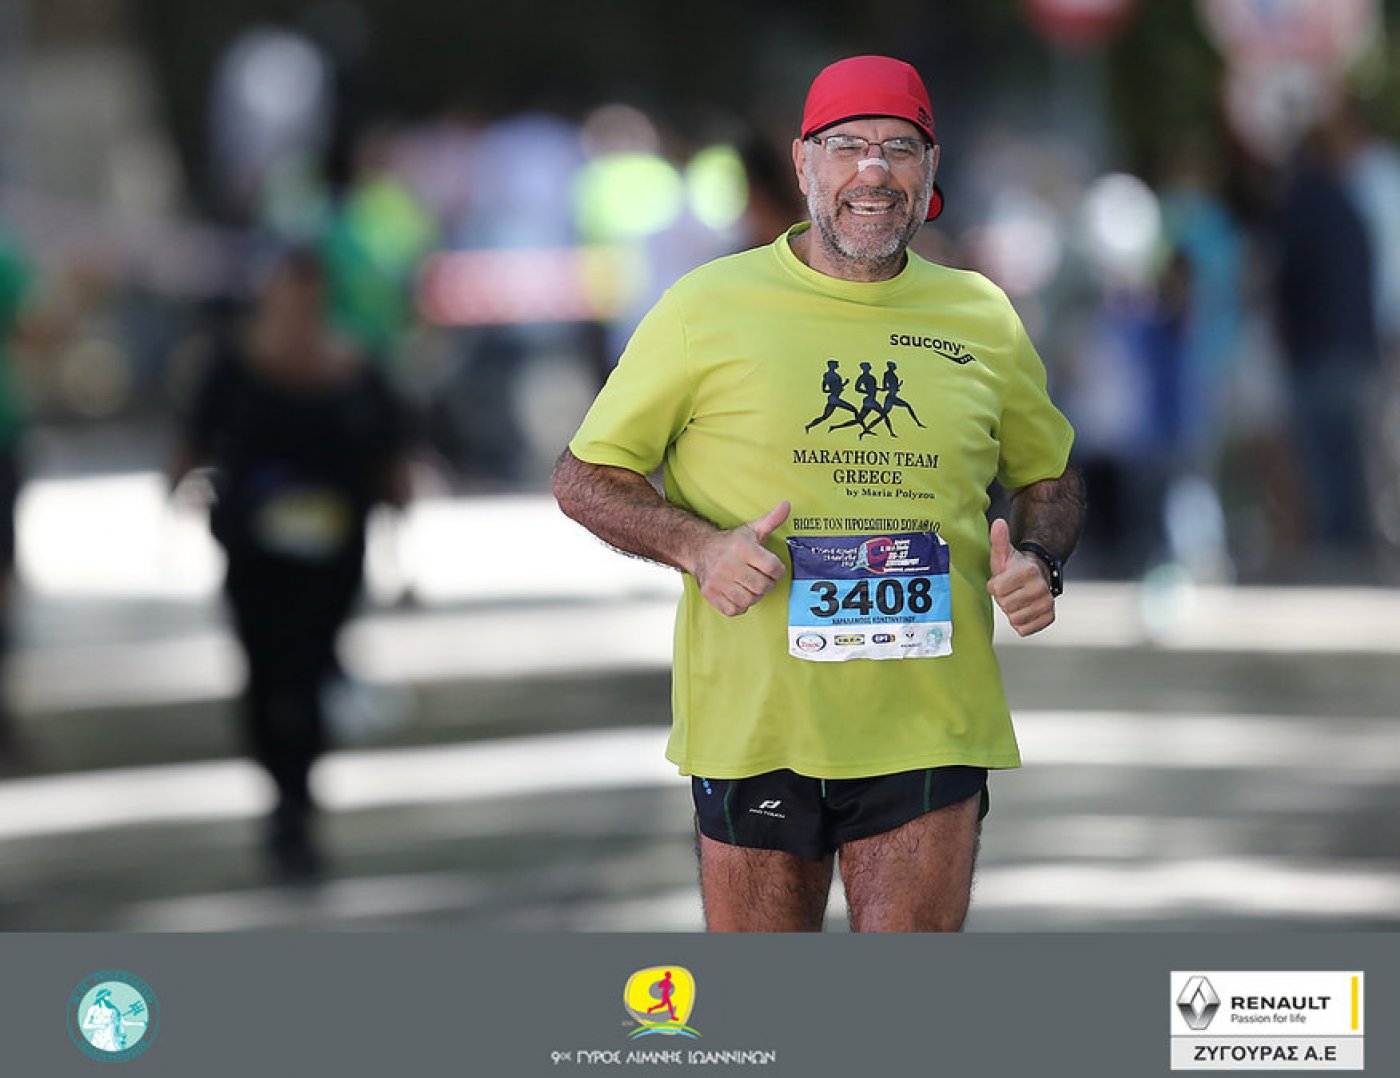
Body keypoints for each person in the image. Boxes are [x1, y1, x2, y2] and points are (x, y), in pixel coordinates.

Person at [554, 55, 1084, 932]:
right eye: (846, 146)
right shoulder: (706, 306)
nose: (873, 171)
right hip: (756, 725)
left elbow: (1049, 473)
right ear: (803, 163)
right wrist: (698, 548)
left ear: (931, 169)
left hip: (930, 719)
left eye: (899, 148)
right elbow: (585, 477)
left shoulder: (982, 315)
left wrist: (1039, 558)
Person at [169, 249, 413, 880]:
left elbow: (390, 458)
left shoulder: (357, 367)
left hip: (333, 553)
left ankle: (298, 797)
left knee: (309, 669)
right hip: (253, 552)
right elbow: (193, 439)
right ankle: (281, 796)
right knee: (263, 671)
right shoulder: (232, 363)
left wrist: (403, 542)